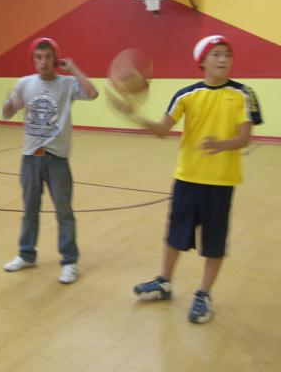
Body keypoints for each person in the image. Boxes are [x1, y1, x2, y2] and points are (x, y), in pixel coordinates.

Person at [109, 35, 263, 324]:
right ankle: (164, 282)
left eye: (227, 54)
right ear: (202, 61)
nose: (223, 59)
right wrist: (135, 116)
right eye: (216, 54)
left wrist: (221, 144)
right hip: (187, 179)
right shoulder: (186, 95)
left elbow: (245, 137)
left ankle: (203, 294)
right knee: (175, 235)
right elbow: (162, 130)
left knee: (214, 242)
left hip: (220, 183)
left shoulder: (243, 93)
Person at [1, 37, 98, 284]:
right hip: (30, 158)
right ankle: (26, 254)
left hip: (57, 160)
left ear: (55, 59)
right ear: (33, 60)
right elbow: (8, 112)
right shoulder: (24, 83)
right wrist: (9, 104)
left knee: (64, 212)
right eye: (38, 57)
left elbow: (92, 93)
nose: (43, 62)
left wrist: (73, 69)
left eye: (47, 57)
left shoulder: (67, 83)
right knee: (29, 210)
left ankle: (69, 261)